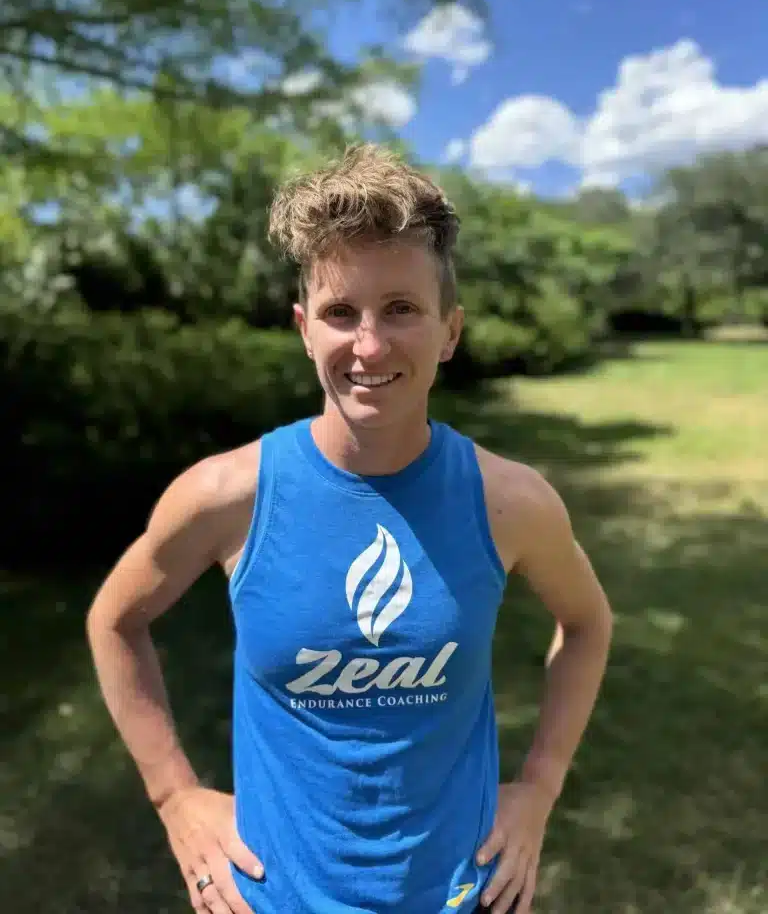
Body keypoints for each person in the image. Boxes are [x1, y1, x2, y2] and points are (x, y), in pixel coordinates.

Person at [86, 144, 613, 914]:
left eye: (401, 308)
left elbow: (588, 623)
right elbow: (114, 619)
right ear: (305, 329)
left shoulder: (510, 501)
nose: (369, 346)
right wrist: (174, 795)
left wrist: (539, 785)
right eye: (341, 313)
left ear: (451, 331)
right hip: (272, 898)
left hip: (463, 895)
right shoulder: (227, 495)